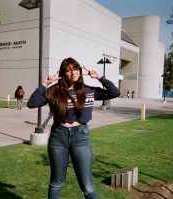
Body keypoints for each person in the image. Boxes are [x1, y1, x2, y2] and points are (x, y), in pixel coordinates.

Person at [27, 57, 120, 199]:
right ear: (63, 73)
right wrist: (45, 83)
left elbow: (115, 92)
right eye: (68, 70)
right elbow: (32, 103)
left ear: (80, 71)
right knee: (56, 183)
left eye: (75, 69)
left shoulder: (88, 91)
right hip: (58, 137)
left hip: (80, 137)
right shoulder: (54, 91)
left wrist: (100, 77)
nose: (73, 72)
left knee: (87, 186)